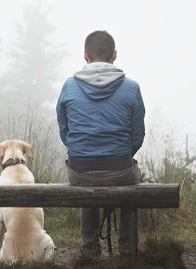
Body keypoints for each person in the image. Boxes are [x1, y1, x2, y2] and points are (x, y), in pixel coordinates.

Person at [56, 30, 145, 256]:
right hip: (121, 171)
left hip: (80, 171)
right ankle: (127, 250)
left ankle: (90, 250)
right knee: (130, 184)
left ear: (85, 55)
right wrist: (119, 155)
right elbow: (137, 135)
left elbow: (65, 130)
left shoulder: (69, 86)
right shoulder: (131, 88)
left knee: (85, 177)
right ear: (114, 55)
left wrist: (83, 152)